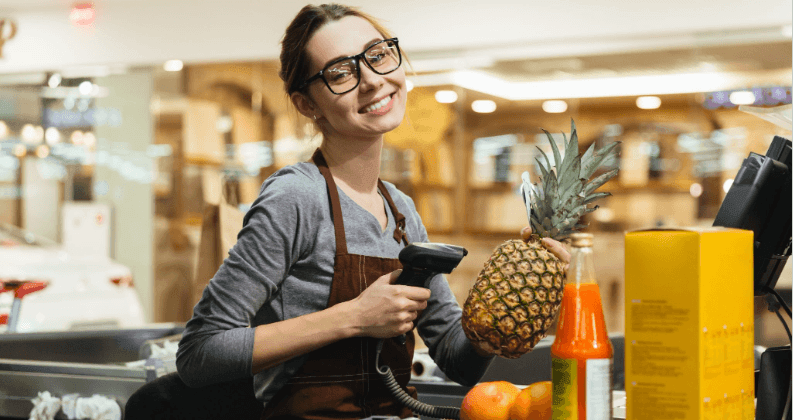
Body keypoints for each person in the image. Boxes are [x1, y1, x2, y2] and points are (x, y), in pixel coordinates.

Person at [128, 4, 570, 420]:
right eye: (341, 72)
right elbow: (200, 354)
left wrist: (506, 307)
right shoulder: (295, 198)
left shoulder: (401, 212)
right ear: (307, 104)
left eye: (378, 55)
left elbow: (458, 362)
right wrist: (353, 318)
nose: (373, 79)